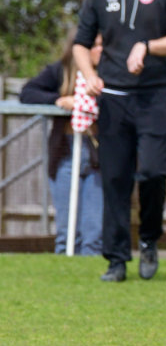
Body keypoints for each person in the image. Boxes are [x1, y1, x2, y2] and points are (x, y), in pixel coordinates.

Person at [72, 0, 166, 282]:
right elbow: (80, 44)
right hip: (113, 99)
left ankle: (150, 239)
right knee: (114, 177)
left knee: (154, 171)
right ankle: (116, 260)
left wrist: (147, 46)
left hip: (154, 97)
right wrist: (89, 75)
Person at [20, 32, 104, 256]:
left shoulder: (112, 74)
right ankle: (64, 267)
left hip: (98, 157)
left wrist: (92, 103)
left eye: (103, 45)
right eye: (94, 45)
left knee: (94, 233)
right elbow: (28, 93)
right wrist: (59, 101)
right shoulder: (61, 70)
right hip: (65, 153)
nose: (100, 50)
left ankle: (91, 273)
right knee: (67, 233)